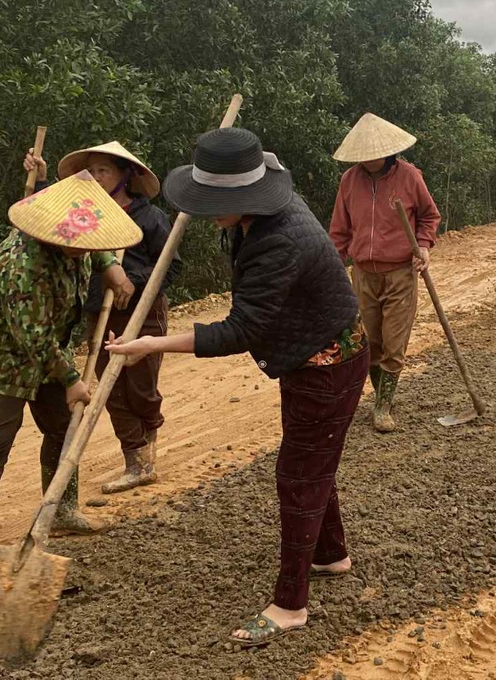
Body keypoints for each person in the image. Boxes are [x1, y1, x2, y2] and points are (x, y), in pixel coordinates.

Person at [106, 127, 369, 647]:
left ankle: (290, 604)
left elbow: (240, 330)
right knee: (311, 461)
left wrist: (153, 344)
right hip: (310, 353)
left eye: (217, 201)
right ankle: (330, 554)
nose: (208, 211)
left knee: (298, 474)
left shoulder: (278, 240)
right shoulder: (258, 214)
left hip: (328, 364)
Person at [0, 170, 142, 595]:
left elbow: (93, 253)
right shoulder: (23, 264)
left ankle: (63, 509)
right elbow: (31, 336)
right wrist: (71, 379)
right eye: (80, 246)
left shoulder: (78, 242)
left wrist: (109, 265)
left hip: (46, 347)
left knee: (63, 425)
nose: (84, 250)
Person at [25, 142, 182, 493]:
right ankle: (136, 460)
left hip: (143, 313)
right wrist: (41, 182)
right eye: (91, 171)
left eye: (104, 171)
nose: (96, 178)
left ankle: (148, 444)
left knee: (141, 387)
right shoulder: (86, 215)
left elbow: (170, 266)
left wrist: (134, 282)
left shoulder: (150, 218)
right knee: (111, 389)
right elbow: (48, 220)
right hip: (99, 312)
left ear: (125, 176)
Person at [328, 113, 440, 432]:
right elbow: (339, 231)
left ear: (387, 151)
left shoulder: (409, 177)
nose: (367, 160)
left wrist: (423, 246)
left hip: (400, 272)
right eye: (362, 155)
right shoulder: (349, 180)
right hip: (363, 273)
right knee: (370, 343)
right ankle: (382, 394)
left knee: (394, 342)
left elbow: (429, 216)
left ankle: (383, 406)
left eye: (372, 154)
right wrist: (332, 268)